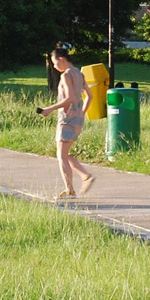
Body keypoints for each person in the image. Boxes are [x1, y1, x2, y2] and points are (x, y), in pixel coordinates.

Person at [37, 45, 95, 198]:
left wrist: (50, 108)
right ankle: (84, 176)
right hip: (77, 120)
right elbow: (89, 96)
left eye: (55, 63)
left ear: (61, 60)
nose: (55, 67)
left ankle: (71, 190)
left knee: (61, 155)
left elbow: (70, 98)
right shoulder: (79, 73)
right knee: (64, 153)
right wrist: (82, 113)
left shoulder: (67, 75)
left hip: (67, 119)